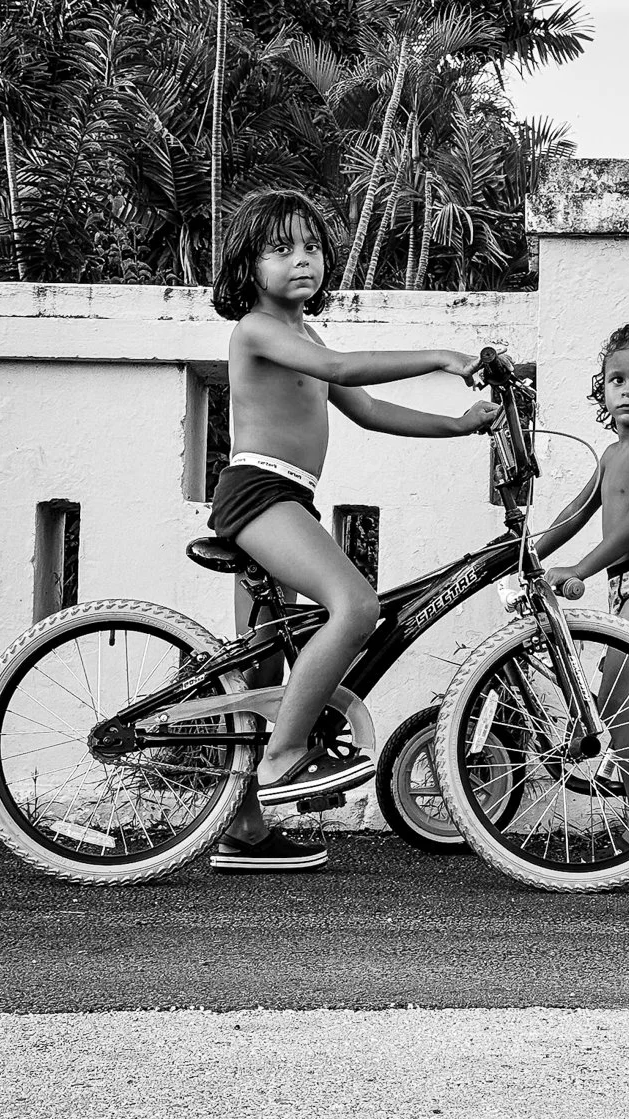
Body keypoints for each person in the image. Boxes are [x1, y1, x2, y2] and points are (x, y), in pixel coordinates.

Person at [204, 188, 497, 873]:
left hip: (288, 499)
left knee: (263, 671)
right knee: (357, 606)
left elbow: (365, 408)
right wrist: (442, 357)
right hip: (258, 492)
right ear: (248, 267)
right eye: (281, 249)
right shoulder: (255, 329)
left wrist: (456, 427)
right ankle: (282, 757)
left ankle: (242, 829)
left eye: (311, 246)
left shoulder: (307, 334)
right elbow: (341, 373)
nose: (301, 259)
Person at [539, 321, 629, 843]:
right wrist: (528, 551)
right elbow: (576, 514)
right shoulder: (608, 455)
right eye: (617, 379)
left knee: (609, 706)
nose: (628, 388)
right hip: (621, 588)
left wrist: (579, 570)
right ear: (603, 389)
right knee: (618, 701)